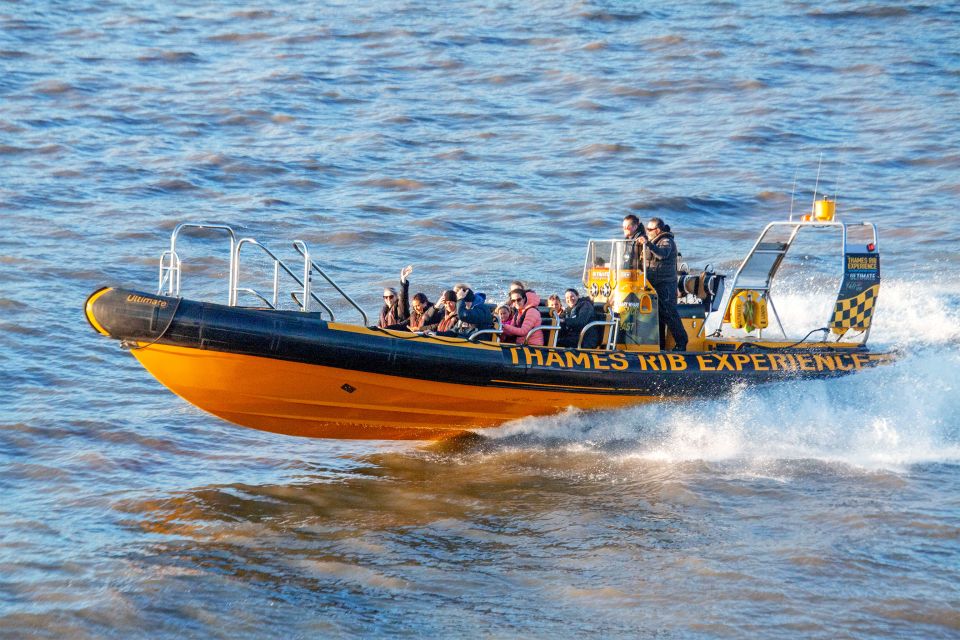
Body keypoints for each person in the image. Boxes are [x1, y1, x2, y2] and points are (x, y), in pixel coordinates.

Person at [640, 217, 688, 351]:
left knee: (669, 313)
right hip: (652, 284)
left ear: (658, 230)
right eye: (646, 229)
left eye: (650, 229)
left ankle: (682, 342)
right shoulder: (653, 241)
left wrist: (648, 244)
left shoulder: (667, 241)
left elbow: (662, 254)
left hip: (665, 284)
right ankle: (659, 345)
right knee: (657, 315)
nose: (647, 231)